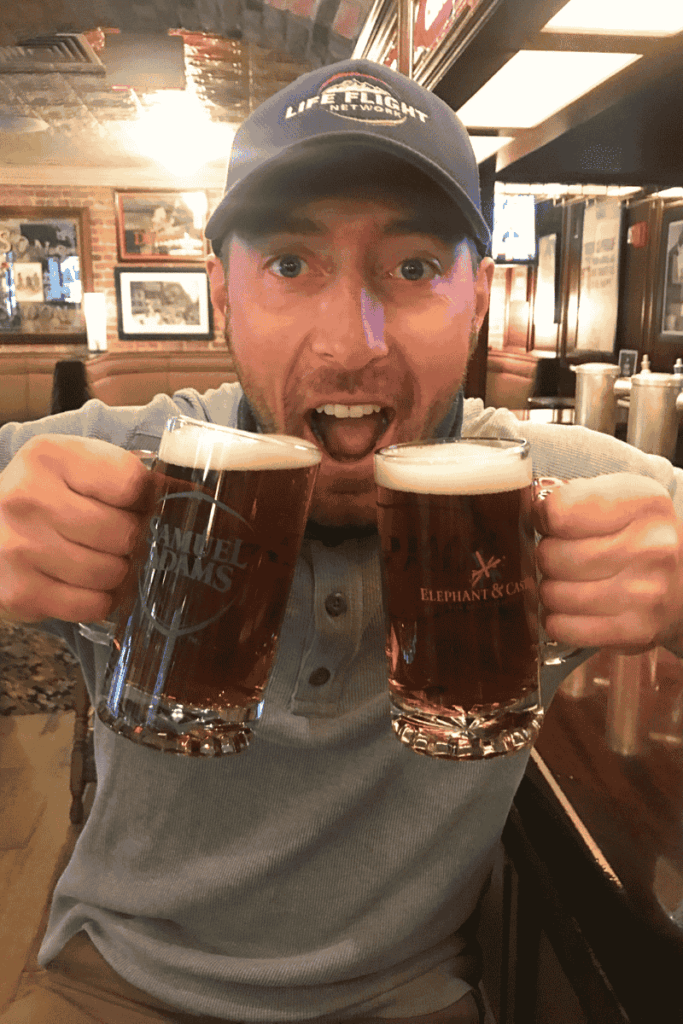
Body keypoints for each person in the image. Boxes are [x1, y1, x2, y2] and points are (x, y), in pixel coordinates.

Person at [1, 58, 682, 1024]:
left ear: (478, 297)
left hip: (406, 996)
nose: (351, 341)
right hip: (117, 982)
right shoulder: (130, 463)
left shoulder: (556, 488)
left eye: (412, 269)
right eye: (289, 264)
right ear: (224, 295)